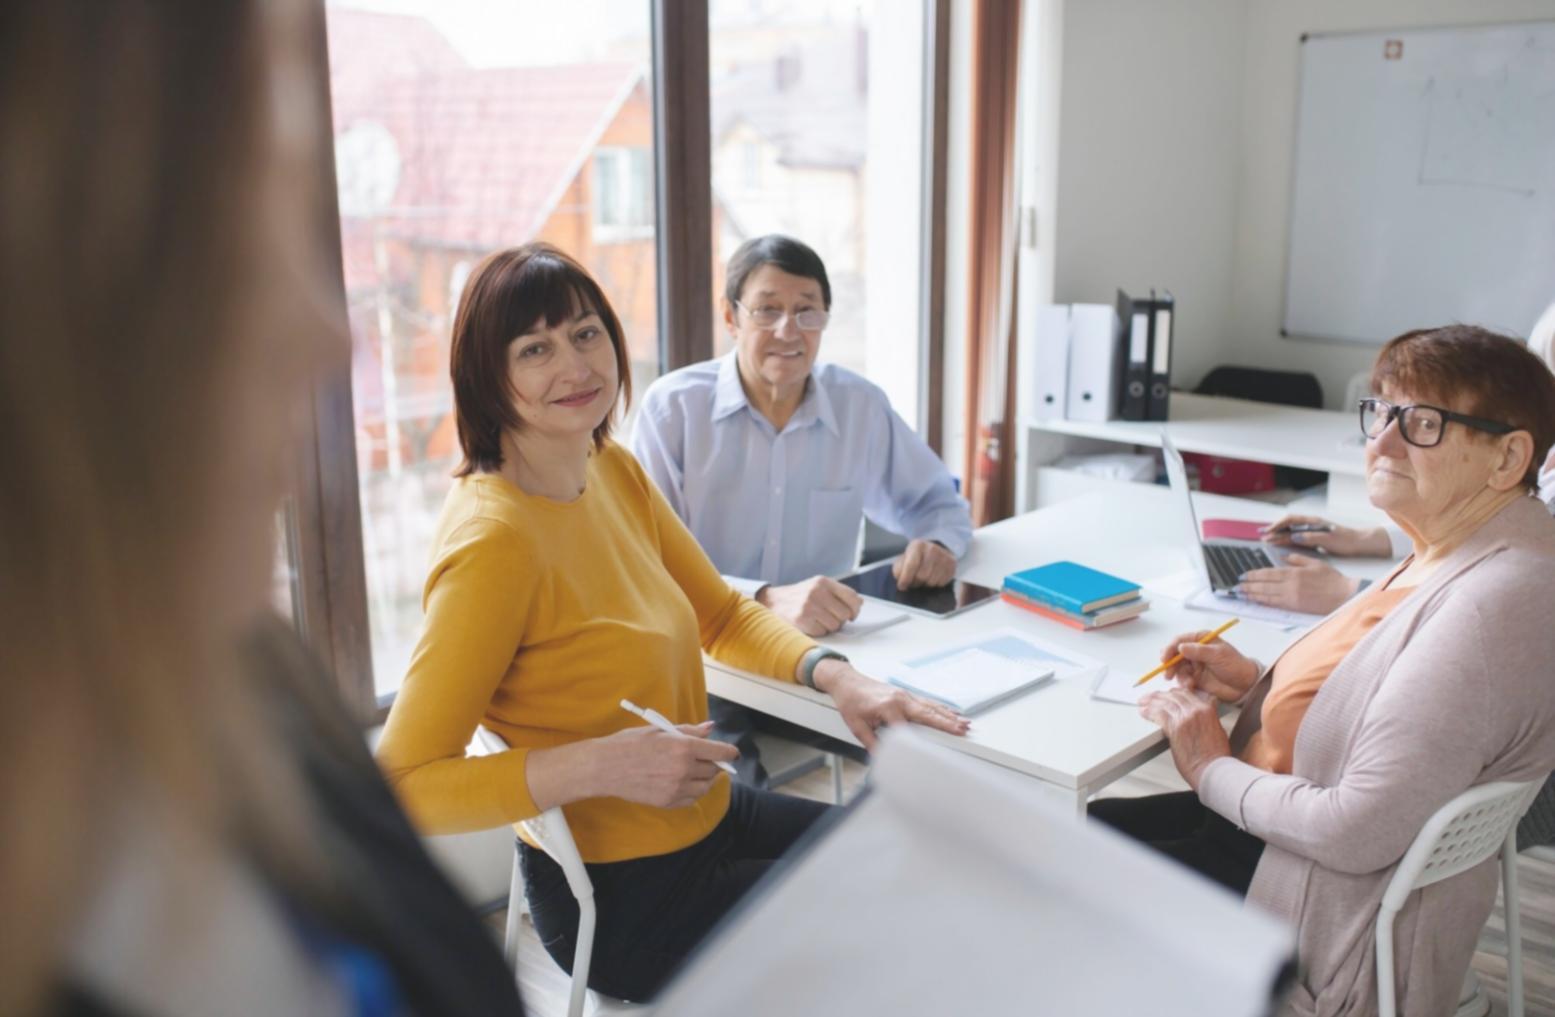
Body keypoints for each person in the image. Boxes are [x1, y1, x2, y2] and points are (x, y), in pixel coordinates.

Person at [0, 3, 526, 1016]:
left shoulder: (253, 679)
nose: (329, 341)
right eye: (230, 235)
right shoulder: (492, 534)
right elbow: (425, 767)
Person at [374, 242, 969, 1003]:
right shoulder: (495, 542)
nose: (576, 366)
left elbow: (718, 612)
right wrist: (603, 764)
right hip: (629, 899)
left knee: (917, 862)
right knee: (896, 927)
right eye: (535, 349)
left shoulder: (608, 467)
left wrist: (839, 677)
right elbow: (405, 782)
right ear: (486, 377)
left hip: (708, 815)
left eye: (586, 334)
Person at [1091, 325, 1555, 1016]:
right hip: (1288, 837)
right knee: (1085, 828)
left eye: (1423, 423)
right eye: (1382, 412)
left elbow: (1354, 828)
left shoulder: (1490, 604)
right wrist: (1257, 684)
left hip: (1314, 902)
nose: (1383, 440)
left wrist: (1206, 765)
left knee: (1058, 863)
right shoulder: (1462, 545)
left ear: (1506, 456)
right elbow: (1389, 704)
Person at [630, 234, 972, 782]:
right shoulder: (674, 409)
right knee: (736, 802)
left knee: (938, 755)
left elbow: (938, 504)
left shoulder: (858, 404)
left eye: (806, 312)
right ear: (731, 317)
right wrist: (761, 600)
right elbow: (643, 566)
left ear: (825, 320)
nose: (789, 332)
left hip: (826, 659)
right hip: (706, 663)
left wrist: (937, 544)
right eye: (768, 310)